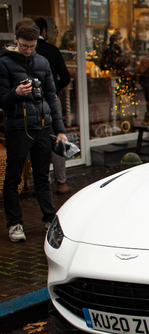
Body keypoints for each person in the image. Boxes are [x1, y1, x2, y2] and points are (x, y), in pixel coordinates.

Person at [0, 18, 67, 242]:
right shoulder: (4, 63)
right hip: (18, 127)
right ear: (16, 40)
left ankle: (49, 218)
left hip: (42, 126)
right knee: (13, 177)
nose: (28, 50)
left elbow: (51, 97)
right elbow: (2, 101)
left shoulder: (43, 62)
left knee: (42, 176)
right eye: (24, 46)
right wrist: (16, 93)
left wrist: (59, 130)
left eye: (32, 46)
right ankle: (15, 223)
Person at [35, 17, 72, 195]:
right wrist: (55, 88)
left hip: (30, 103)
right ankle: (61, 182)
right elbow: (65, 77)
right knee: (57, 137)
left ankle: (38, 182)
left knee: (36, 140)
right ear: (43, 31)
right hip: (51, 100)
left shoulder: (24, 53)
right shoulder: (52, 50)